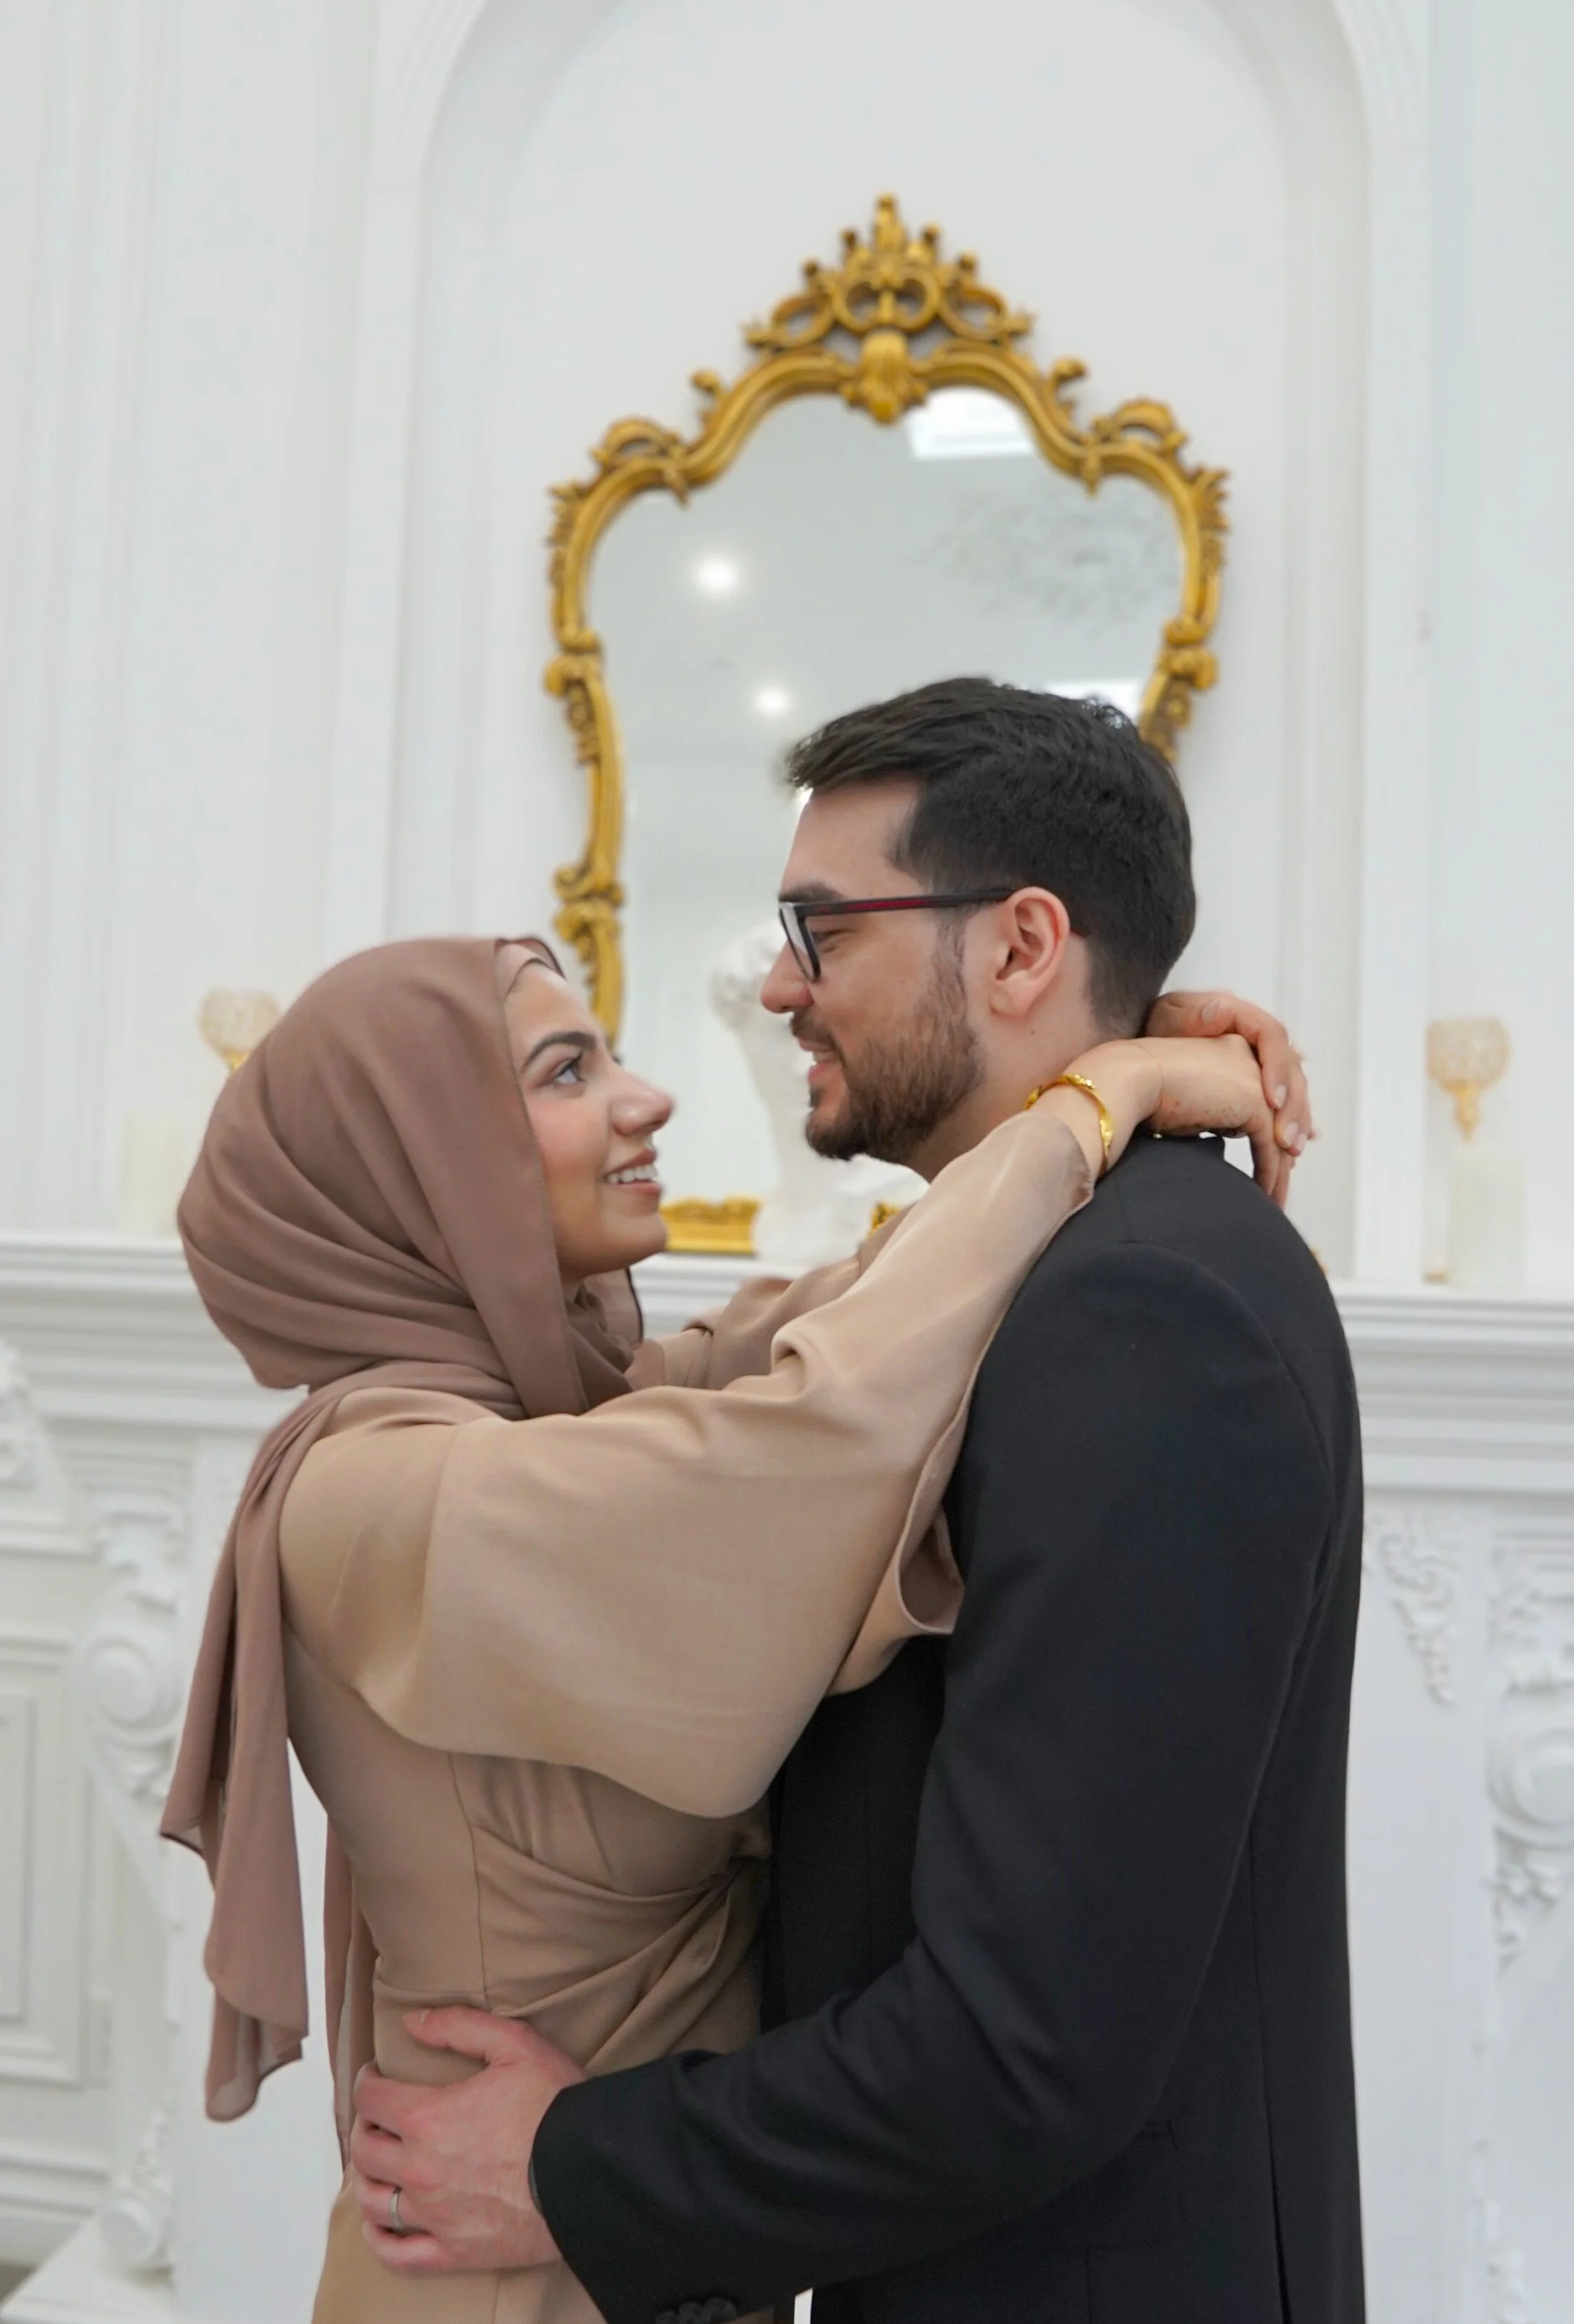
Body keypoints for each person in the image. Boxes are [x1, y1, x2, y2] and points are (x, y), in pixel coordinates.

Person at [348, 682, 1363, 2324]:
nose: (777, 986)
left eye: (818, 929)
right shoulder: (1041, 1266)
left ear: (1021, 949)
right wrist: (1128, 1055)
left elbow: (1023, 2041)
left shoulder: (1142, 1312)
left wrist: (568, 2160)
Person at [161, 898, 1296, 2324]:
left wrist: (1108, 1041)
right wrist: (1099, 1098)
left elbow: (865, 1300)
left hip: (616, 2228)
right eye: (566, 1072)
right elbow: (827, 1417)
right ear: (418, 1166)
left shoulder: (558, 1420)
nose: (651, 1096)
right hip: (503, 2268)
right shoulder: (382, 1492)